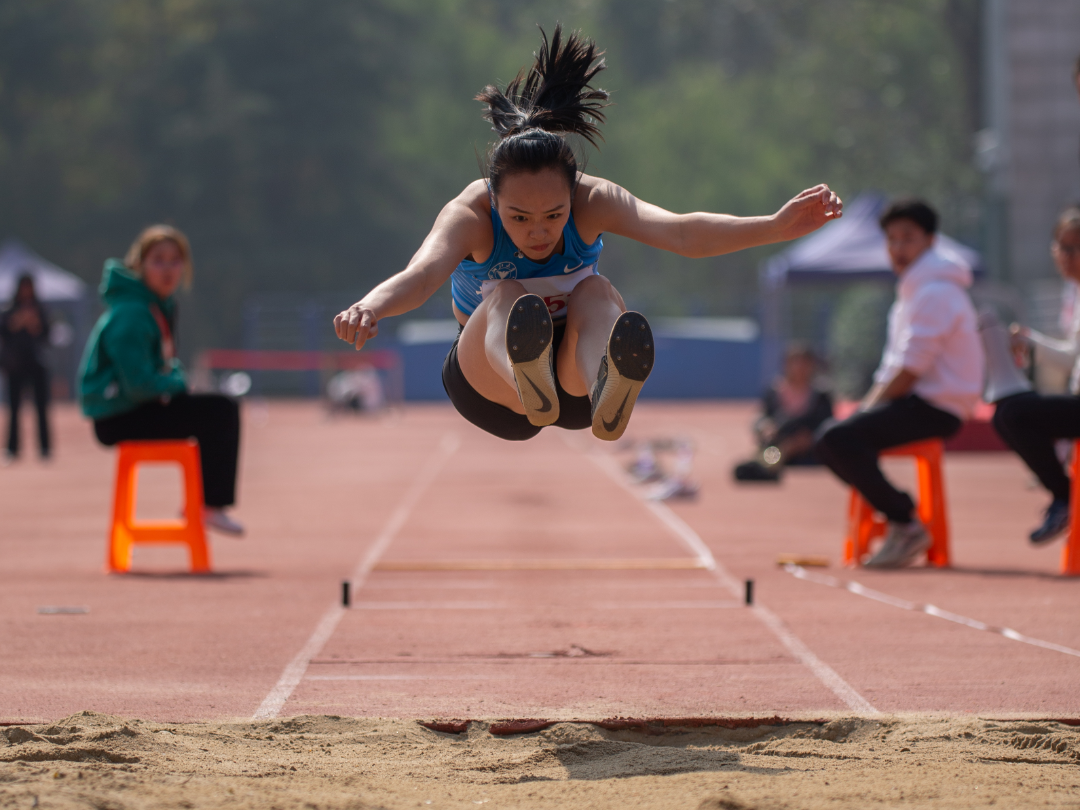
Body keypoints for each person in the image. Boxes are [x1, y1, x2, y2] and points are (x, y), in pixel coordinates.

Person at [334, 26, 842, 442]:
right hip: (489, 388)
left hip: (572, 383)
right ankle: (525, 374)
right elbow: (421, 276)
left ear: (572, 194)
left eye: (554, 215)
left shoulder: (593, 200)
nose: (538, 232)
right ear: (494, 199)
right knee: (506, 295)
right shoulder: (469, 213)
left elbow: (683, 234)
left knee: (597, 291)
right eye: (518, 218)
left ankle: (606, 385)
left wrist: (775, 226)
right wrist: (371, 306)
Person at [815, 199, 983, 568]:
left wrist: (866, 409)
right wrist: (866, 408)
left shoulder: (935, 291)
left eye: (908, 238)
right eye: (891, 240)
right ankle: (897, 515)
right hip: (919, 401)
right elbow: (893, 367)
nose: (898, 248)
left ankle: (905, 522)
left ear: (931, 241)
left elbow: (908, 370)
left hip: (938, 406)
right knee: (835, 437)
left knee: (836, 438)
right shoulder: (914, 289)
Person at [78, 225, 244, 535]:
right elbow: (140, 384)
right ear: (139, 266)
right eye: (158, 260)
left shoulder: (154, 307)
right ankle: (209, 505)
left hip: (131, 407)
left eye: (174, 260)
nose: (168, 268)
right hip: (117, 416)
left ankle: (206, 503)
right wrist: (179, 385)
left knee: (213, 408)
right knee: (221, 411)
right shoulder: (132, 313)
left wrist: (178, 382)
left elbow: (161, 369)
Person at [994, 206, 1080, 544]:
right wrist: (1031, 343)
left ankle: (1064, 496)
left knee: (1015, 413)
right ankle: (1063, 494)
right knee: (1006, 414)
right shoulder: (1073, 293)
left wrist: (1033, 343)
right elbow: (1073, 357)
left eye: (1076, 248)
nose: (1067, 256)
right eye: (1062, 247)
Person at [733, 342, 832, 482]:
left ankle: (769, 464)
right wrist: (765, 427)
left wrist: (808, 439)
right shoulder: (774, 391)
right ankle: (767, 464)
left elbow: (827, 425)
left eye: (804, 363)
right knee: (765, 458)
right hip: (778, 447)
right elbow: (762, 417)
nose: (799, 368)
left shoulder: (821, 395)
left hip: (809, 454)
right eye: (795, 362)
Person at [0, 275, 52, 462]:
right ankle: (12, 449)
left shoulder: (40, 309)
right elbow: (4, 331)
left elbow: (47, 334)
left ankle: (45, 448)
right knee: (13, 409)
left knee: (41, 408)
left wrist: (34, 324)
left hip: (36, 364)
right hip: (15, 365)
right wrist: (17, 321)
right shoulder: (9, 309)